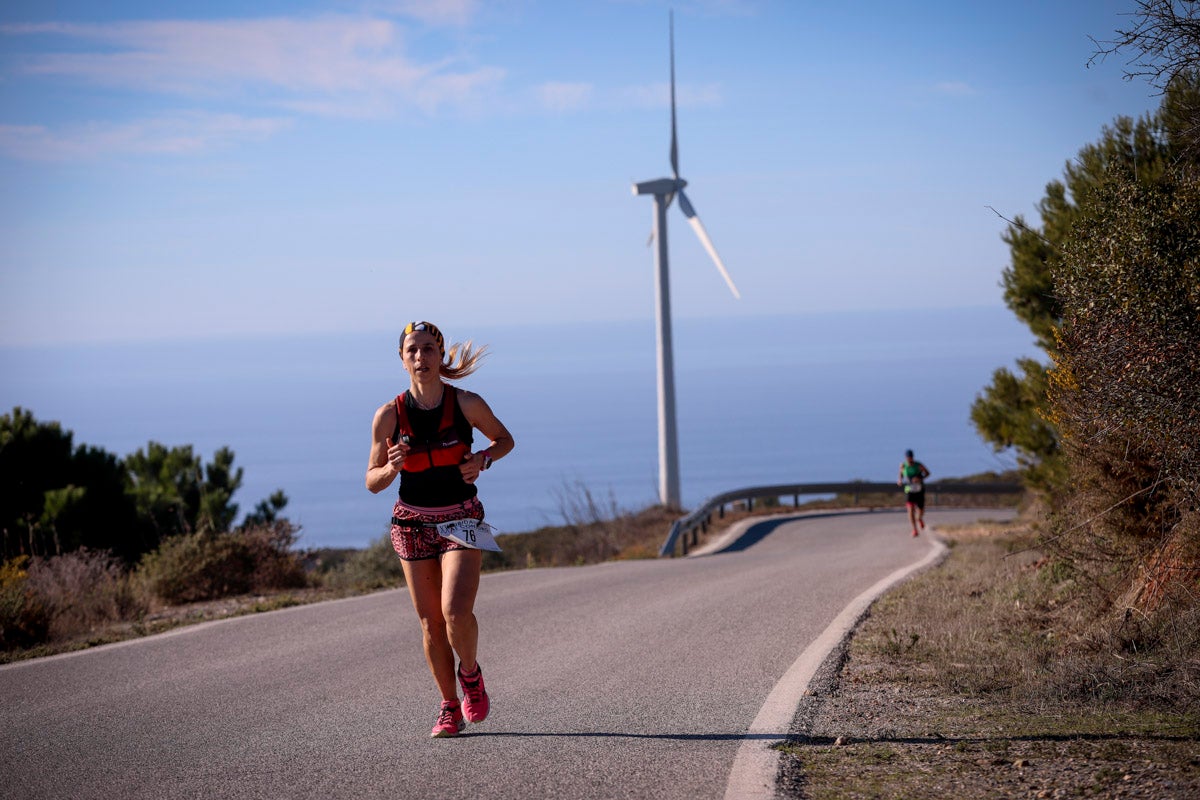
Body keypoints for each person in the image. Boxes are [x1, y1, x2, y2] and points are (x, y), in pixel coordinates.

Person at [365, 321, 515, 738]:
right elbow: (371, 481)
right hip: (411, 522)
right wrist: (391, 467)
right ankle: (449, 706)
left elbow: (505, 440)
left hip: (462, 517)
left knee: (455, 612)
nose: (421, 357)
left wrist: (483, 459)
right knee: (431, 624)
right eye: (413, 350)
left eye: (429, 349)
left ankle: (471, 675)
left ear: (441, 355)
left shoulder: (466, 403)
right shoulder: (389, 416)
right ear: (402, 359)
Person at [897, 449, 931, 537]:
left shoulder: (918, 465)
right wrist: (900, 480)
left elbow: (928, 473)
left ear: (913, 457)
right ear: (906, 458)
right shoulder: (903, 465)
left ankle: (919, 519)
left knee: (921, 509)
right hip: (908, 487)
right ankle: (914, 530)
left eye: (911, 457)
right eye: (908, 457)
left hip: (919, 488)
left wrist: (920, 479)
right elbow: (900, 473)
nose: (910, 459)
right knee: (910, 509)